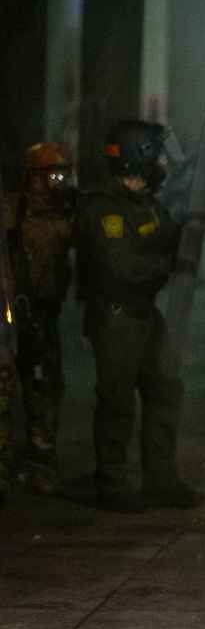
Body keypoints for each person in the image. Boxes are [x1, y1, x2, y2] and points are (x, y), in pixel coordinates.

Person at [75, 120, 203, 513]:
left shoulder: (145, 202)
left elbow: (162, 233)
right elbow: (124, 269)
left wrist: (185, 230)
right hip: (116, 317)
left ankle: (160, 481)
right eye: (155, 154)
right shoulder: (103, 210)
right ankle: (113, 484)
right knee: (116, 401)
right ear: (138, 157)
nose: (160, 163)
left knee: (165, 389)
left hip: (144, 315)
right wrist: (169, 262)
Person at [0, 142, 76, 501]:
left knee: (45, 389)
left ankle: (40, 463)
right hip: (10, 314)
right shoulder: (14, 213)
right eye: (49, 176)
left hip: (43, 314)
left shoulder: (68, 214)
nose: (55, 184)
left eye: (60, 175)